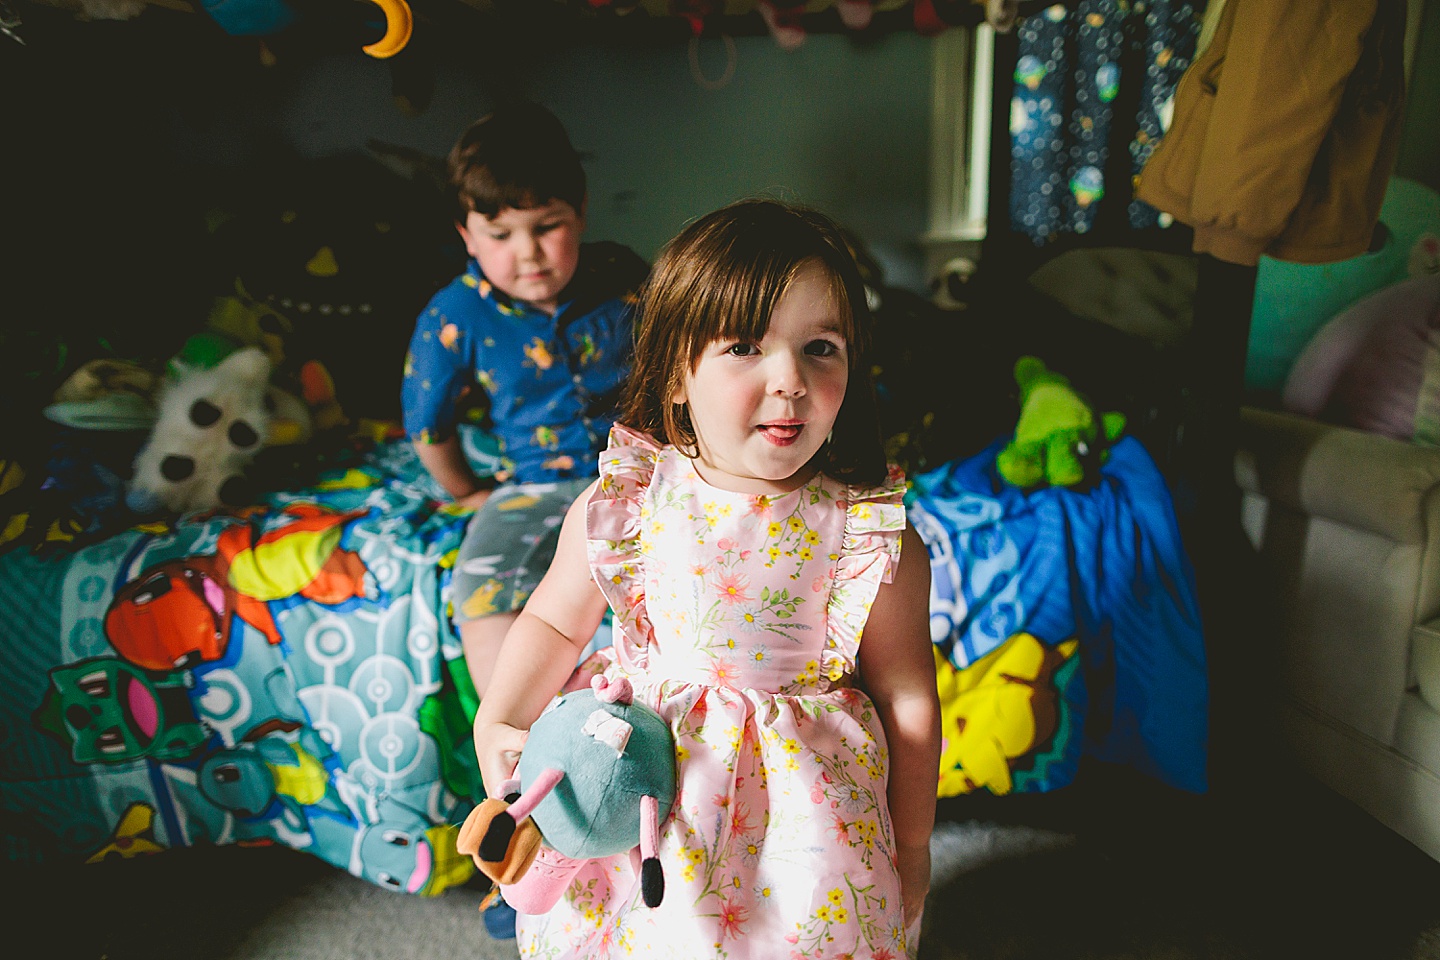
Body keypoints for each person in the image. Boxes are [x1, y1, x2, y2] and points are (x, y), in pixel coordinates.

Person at [472, 199, 941, 957]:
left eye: (822, 347)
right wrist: (498, 719)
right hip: (647, 797)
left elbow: (908, 696)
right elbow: (555, 623)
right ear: (677, 374)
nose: (790, 378)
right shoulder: (626, 503)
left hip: (806, 833)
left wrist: (912, 846)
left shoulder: (868, 532)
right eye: (746, 346)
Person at [402, 100, 648, 701]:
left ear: (582, 211)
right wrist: (466, 491)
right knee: (480, 589)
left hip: (645, 472)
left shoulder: (625, 278)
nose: (528, 253)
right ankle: (511, 734)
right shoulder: (454, 315)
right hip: (534, 486)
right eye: (499, 235)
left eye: (546, 226)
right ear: (466, 234)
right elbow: (427, 425)